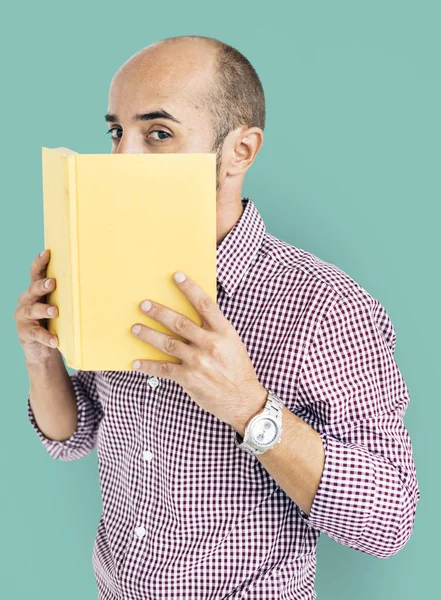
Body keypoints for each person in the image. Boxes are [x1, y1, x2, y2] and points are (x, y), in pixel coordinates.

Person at [15, 35, 420, 600]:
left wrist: (248, 406)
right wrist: (41, 359)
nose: (122, 160)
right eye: (116, 133)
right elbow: (74, 435)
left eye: (158, 134)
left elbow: (389, 521)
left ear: (240, 150)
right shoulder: (104, 268)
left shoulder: (328, 306)